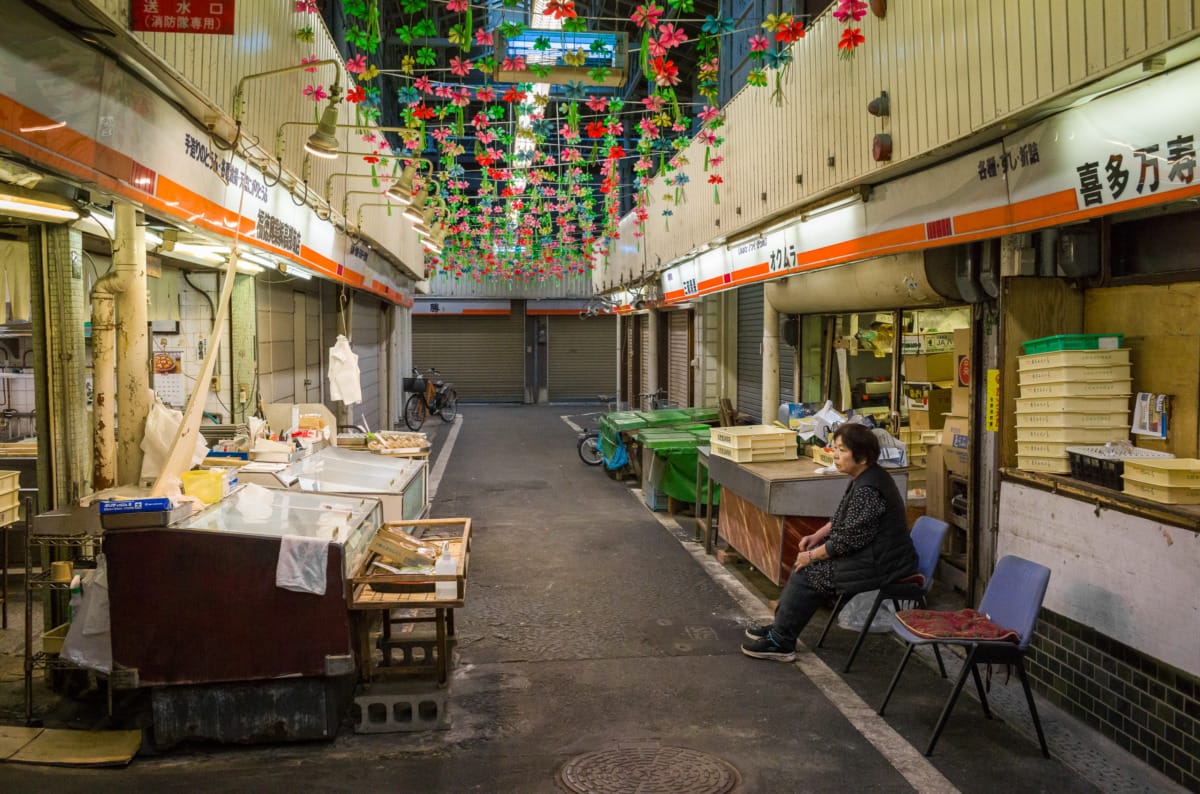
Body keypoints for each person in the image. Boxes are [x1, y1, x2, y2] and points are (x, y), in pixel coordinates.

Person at [741, 422, 918, 662]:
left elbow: (848, 540)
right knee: (806, 564)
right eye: (835, 448)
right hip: (876, 555)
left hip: (882, 563)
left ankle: (781, 642)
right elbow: (842, 518)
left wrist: (813, 555)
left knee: (809, 572)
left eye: (842, 450)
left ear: (863, 456)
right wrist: (818, 536)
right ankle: (780, 629)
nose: (835, 454)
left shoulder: (869, 488)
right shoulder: (865, 477)